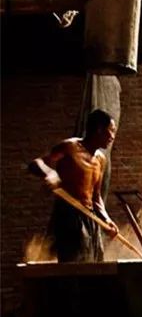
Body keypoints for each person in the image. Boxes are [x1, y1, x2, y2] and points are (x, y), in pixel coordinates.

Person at [29, 109, 120, 262]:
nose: (112, 136)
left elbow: (96, 196)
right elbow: (36, 163)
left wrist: (106, 219)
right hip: (69, 216)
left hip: (90, 218)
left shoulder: (101, 159)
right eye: (111, 131)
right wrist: (49, 173)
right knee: (75, 265)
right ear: (99, 129)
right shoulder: (70, 147)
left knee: (96, 263)